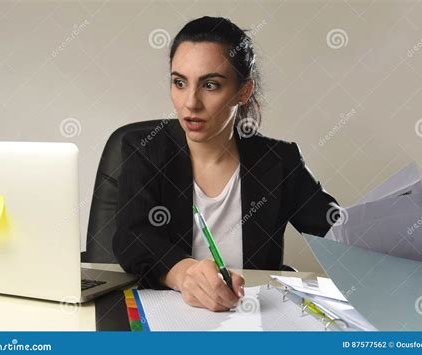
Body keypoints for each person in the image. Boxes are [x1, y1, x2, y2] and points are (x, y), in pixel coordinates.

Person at [112, 16, 373, 312]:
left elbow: (335, 231)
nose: (190, 102)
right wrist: (183, 274)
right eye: (179, 82)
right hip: (169, 316)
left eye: (210, 85)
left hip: (255, 317)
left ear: (243, 91)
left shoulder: (279, 161)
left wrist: (413, 244)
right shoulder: (146, 150)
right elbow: (131, 236)